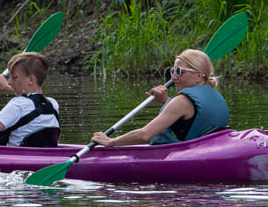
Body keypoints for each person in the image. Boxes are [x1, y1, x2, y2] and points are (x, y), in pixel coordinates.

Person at [91, 49, 228, 147]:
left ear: (199, 75)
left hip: (181, 158)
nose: (173, 77)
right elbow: (193, 118)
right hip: (207, 151)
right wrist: (166, 102)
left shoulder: (181, 101)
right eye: (172, 71)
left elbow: (145, 135)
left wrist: (111, 141)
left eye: (179, 72)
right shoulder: (216, 97)